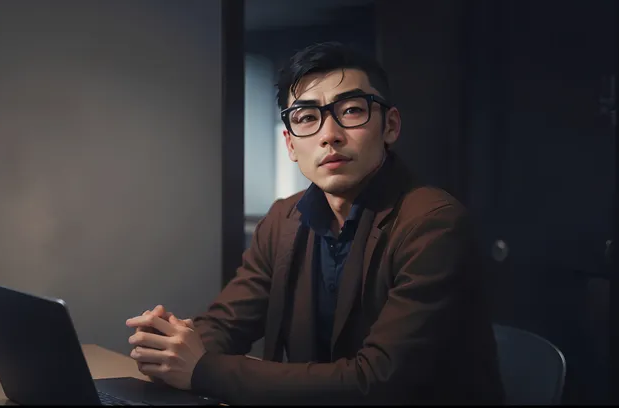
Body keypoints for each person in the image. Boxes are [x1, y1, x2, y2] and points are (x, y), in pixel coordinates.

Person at [125, 41, 505, 405]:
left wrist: (202, 369)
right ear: (290, 144)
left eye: (352, 111)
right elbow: (228, 324)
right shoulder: (283, 219)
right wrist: (172, 347)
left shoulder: (434, 224)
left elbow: (375, 381)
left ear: (390, 126)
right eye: (307, 117)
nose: (329, 136)